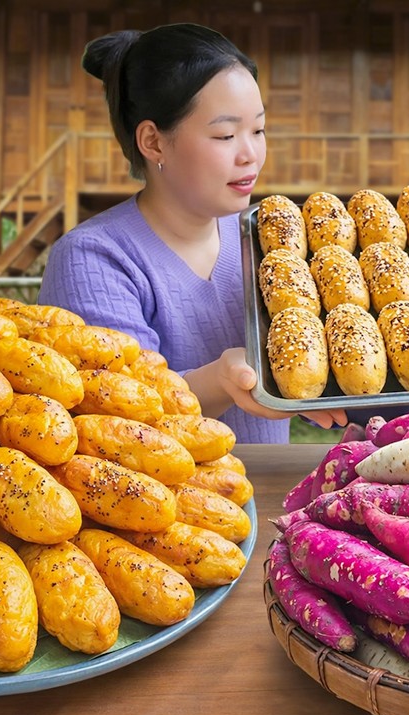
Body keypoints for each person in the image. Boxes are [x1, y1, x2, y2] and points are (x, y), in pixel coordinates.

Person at [38, 23, 346, 443]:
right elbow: (116, 413)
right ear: (154, 142)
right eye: (225, 135)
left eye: (258, 130)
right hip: (161, 503)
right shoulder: (93, 257)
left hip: (271, 498)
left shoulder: (266, 240)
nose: (250, 154)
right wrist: (222, 381)